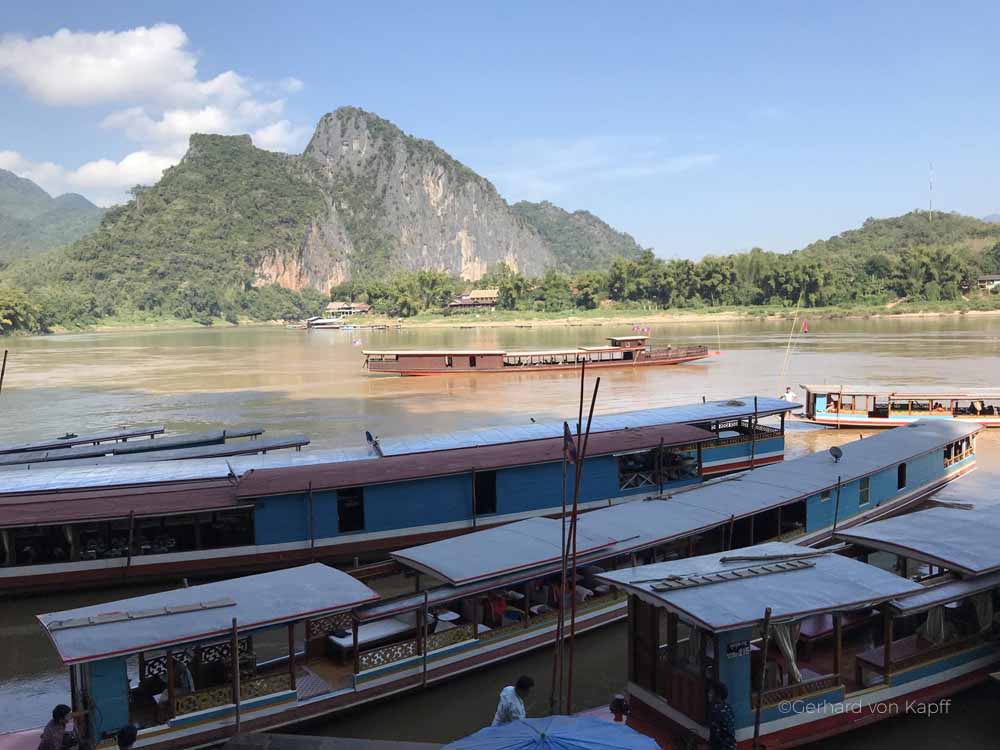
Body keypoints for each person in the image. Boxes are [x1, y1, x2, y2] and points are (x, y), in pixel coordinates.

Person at [707, 682, 736, 750]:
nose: (708, 694)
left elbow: (715, 736)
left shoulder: (715, 711)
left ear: (718, 696)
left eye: (711, 693)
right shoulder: (727, 706)